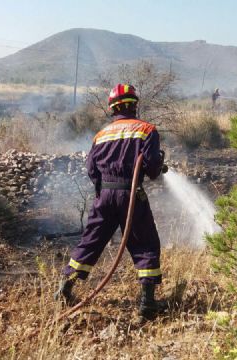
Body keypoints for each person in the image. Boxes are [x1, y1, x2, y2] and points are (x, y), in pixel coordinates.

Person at [55, 83, 167, 320]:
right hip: (131, 195)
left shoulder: (101, 135)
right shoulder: (147, 130)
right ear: (135, 105)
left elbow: (92, 170)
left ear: (112, 109)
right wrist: (158, 164)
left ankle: (64, 289)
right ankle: (147, 303)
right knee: (145, 243)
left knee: (90, 242)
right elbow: (153, 168)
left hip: (104, 196)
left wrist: (102, 193)